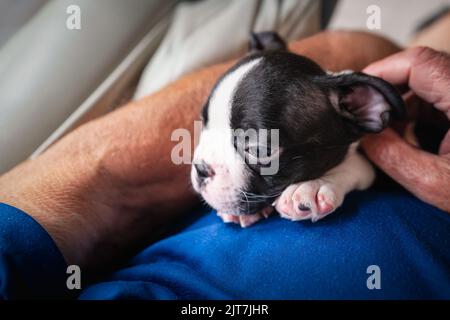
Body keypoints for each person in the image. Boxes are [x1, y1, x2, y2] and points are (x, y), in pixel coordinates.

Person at [0, 31, 449, 299]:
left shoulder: (353, 117)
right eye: (204, 129)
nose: (197, 165)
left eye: (255, 147)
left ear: (367, 108)